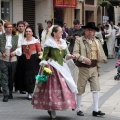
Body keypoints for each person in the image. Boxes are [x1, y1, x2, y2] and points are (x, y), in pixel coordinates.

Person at [32, 25, 77, 120]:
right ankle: (53, 111)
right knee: (52, 89)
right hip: (52, 67)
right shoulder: (49, 43)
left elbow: (65, 56)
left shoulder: (63, 43)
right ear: (54, 33)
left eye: (62, 31)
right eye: (60, 32)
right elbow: (44, 56)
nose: (62, 33)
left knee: (65, 86)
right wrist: (44, 64)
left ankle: (64, 104)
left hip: (62, 67)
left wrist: (71, 56)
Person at [73, 22, 107, 117]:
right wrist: (83, 59)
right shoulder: (79, 40)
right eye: (88, 30)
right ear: (84, 30)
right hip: (82, 68)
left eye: (92, 30)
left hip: (94, 68)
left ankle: (96, 110)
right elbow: (75, 53)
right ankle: (78, 108)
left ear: (94, 32)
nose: (90, 32)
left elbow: (99, 55)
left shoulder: (97, 42)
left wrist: (98, 68)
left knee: (96, 88)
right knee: (80, 88)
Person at [15, 26, 42, 100]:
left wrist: (41, 57)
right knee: (25, 75)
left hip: (34, 60)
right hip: (24, 60)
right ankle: (28, 92)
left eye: (29, 31)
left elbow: (39, 51)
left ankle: (32, 91)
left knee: (33, 75)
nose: (28, 33)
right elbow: (19, 50)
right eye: (27, 31)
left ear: (32, 33)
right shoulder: (22, 41)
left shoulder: (35, 41)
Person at [0, 21, 22, 102]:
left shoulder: (16, 37)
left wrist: (15, 52)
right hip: (3, 59)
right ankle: (5, 95)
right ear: (5, 28)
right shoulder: (1, 37)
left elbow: (19, 49)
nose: (10, 28)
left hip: (13, 59)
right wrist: (2, 53)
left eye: (11, 27)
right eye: (8, 27)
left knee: (11, 77)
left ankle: (10, 93)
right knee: (4, 77)